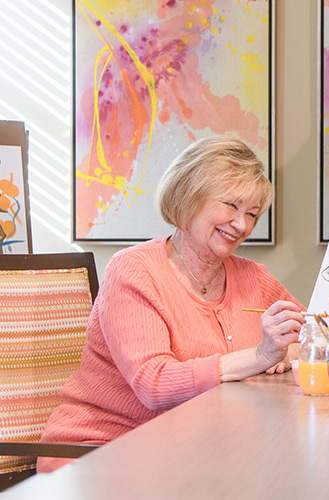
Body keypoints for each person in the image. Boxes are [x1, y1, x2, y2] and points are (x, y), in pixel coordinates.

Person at [38, 136, 305, 472]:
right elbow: (155, 385)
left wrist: (288, 352)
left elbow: (315, 332)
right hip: (100, 452)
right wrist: (260, 356)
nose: (242, 225)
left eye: (252, 213)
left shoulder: (253, 277)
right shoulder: (134, 271)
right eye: (231, 206)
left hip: (193, 450)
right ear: (189, 196)